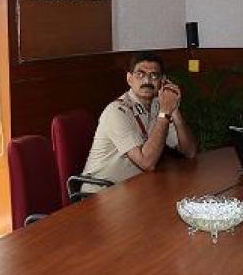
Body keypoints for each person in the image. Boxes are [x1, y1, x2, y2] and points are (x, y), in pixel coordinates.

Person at [82, 52, 197, 190]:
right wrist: (165, 113)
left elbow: (189, 152)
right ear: (129, 79)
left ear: (163, 81)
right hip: (101, 193)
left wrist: (175, 110)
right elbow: (147, 163)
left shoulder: (158, 105)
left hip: (134, 187)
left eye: (154, 75)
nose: (147, 81)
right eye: (140, 74)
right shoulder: (117, 111)